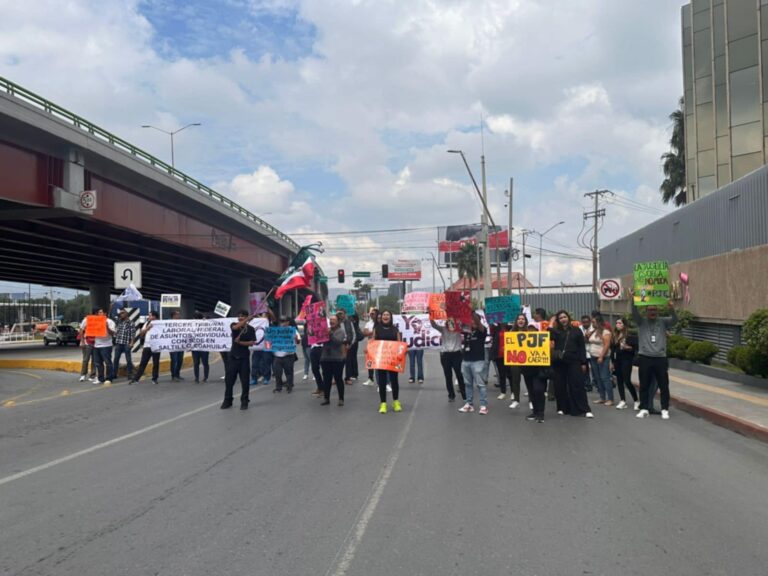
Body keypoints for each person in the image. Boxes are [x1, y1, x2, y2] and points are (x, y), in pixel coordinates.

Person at [633, 300, 677, 420]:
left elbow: (674, 321)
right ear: (646, 311)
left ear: (657, 311)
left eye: (654, 310)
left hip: (660, 358)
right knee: (644, 385)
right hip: (645, 357)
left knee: (664, 385)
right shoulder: (641, 321)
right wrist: (633, 301)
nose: (652, 312)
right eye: (650, 310)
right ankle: (644, 408)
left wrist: (671, 308)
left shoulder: (663, 321)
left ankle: (664, 409)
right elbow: (634, 313)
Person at [550, 310, 593, 418]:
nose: (563, 319)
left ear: (568, 318)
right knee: (560, 386)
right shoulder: (556, 331)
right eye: (560, 318)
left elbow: (581, 347)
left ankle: (584, 409)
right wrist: (551, 323)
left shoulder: (576, 330)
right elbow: (547, 336)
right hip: (559, 362)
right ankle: (562, 408)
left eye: (564, 317)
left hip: (574, 361)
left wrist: (583, 362)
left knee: (577, 384)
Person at [222, 310, 256, 410]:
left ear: (246, 317)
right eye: (239, 316)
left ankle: (244, 401)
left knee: (245, 382)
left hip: (244, 358)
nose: (240, 318)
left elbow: (251, 343)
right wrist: (246, 319)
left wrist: (240, 342)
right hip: (233, 357)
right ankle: (228, 400)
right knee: (229, 381)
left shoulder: (250, 329)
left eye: (243, 316)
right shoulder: (234, 325)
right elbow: (235, 327)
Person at [373, 310, 403, 413]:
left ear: (391, 317)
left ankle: (396, 401)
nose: (385, 316)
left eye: (388, 315)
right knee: (382, 381)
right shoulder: (377, 329)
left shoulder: (395, 329)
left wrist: (402, 351)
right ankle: (383, 403)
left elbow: (399, 343)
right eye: (384, 315)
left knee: (394, 380)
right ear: (381, 317)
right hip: (381, 359)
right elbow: (373, 342)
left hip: (393, 359)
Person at [458, 312, 489, 415]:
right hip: (466, 360)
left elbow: (478, 323)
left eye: (472, 319)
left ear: (477, 320)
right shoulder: (466, 331)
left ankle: (483, 406)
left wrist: (470, 310)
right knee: (467, 384)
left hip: (478, 361)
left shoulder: (482, 330)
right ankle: (469, 404)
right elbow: (457, 322)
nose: (470, 321)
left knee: (480, 384)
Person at [79, 308, 116, 385]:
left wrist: (106, 327)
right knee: (98, 363)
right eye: (98, 312)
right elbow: (82, 329)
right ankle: (100, 378)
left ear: (105, 314)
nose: (99, 314)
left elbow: (113, 334)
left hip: (106, 345)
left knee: (107, 362)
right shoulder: (94, 321)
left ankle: (109, 378)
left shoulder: (110, 322)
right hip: (96, 345)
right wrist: (83, 341)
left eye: (101, 312)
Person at [430, 317, 465, 402]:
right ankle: (451, 395)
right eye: (448, 322)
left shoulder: (459, 329)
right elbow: (433, 325)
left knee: (459, 374)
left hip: (456, 354)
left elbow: (466, 326)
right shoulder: (443, 329)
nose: (450, 323)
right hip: (445, 355)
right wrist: (431, 315)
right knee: (448, 376)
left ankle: (464, 394)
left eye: (452, 322)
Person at [611, 318, 640, 410]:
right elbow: (613, 349)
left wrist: (628, 347)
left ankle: (636, 401)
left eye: (619, 323)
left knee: (627, 380)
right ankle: (622, 401)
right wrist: (612, 362)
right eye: (616, 323)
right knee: (619, 380)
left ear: (624, 325)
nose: (617, 324)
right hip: (617, 360)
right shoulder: (615, 335)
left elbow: (635, 348)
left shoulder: (629, 335)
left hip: (626, 360)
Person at [523, 325, 549, 423]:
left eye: (532, 331)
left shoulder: (543, 341)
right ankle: (535, 412)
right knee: (531, 392)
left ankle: (541, 413)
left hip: (539, 371)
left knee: (538, 390)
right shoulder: (523, 343)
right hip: (527, 371)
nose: (530, 333)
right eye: (528, 331)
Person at [500, 314, 527, 408]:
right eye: (519, 319)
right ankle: (516, 399)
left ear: (525, 321)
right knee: (515, 380)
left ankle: (532, 400)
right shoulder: (511, 331)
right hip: (515, 359)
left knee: (529, 381)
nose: (521, 320)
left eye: (523, 319)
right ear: (516, 321)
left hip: (528, 360)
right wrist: (505, 349)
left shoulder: (530, 331)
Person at [588, 312, 614, 406]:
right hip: (593, 356)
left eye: (594, 322)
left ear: (599, 322)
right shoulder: (594, 331)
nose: (592, 324)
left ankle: (610, 398)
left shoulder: (605, 332)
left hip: (602, 357)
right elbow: (588, 339)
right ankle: (602, 397)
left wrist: (601, 356)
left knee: (605, 377)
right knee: (597, 378)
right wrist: (591, 331)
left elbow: (607, 345)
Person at [320, 315, 346, 406]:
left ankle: (341, 398)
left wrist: (330, 334)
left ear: (338, 322)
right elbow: (319, 341)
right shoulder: (325, 330)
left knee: (338, 379)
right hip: (325, 358)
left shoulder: (341, 331)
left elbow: (338, 342)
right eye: (330, 320)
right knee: (327, 379)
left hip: (337, 359)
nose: (331, 321)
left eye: (334, 320)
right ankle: (326, 398)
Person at [130, 311, 161, 385]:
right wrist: (147, 328)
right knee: (143, 363)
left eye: (150, 315)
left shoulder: (160, 324)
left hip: (156, 346)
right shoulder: (147, 323)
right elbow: (141, 333)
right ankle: (136, 379)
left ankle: (154, 378)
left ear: (154, 317)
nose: (149, 317)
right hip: (147, 346)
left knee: (156, 363)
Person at [272, 317, 299, 393]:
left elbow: (298, 341)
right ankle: (278, 387)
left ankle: (289, 386)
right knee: (277, 372)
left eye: (284, 321)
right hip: (278, 355)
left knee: (289, 372)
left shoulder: (292, 330)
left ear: (288, 322)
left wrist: (296, 338)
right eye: (281, 321)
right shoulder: (276, 330)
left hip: (288, 355)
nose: (283, 323)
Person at [111, 308, 135, 381]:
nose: (121, 315)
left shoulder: (131, 323)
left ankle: (129, 375)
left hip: (126, 344)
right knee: (116, 359)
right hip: (118, 343)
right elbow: (116, 331)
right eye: (120, 313)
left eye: (122, 313)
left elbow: (133, 334)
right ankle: (114, 374)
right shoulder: (119, 322)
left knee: (128, 360)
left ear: (126, 314)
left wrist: (132, 343)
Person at [250, 311, 273, 386]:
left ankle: (266, 377)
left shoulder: (269, 323)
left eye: (265, 315)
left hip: (267, 344)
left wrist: (268, 309)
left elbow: (271, 317)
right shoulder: (256, 323)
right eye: (262, 315)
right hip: (257, 346)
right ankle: (254, 378)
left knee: (266, 362)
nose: (263, 316)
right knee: (255, 362)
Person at [336, 309, 357, 385]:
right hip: (337, 344)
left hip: (347, 344)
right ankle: (336, 378)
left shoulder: (349, 322)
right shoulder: (335, 322)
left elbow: (354, 334)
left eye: (342, 313)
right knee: (337, 362)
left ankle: (347, 378)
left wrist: (351, 344)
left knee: (347, 362)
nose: (340, 315)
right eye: (339, 313)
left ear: (345, 314)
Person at [361, 308, 379, 386]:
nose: (371, 315)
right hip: (370, 344)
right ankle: (370, 378)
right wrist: (374, 332)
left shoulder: (380, 323)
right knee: (370, 361)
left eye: (373, 314)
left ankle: (381, 380)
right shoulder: (368, 323)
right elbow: (364, 333)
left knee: (379, 362)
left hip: (379, 344)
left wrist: (371, 332)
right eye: (370, 314)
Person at [191, 312, 210, 383]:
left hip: (204, 347)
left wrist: (205, 320)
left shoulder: (205, 324)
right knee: (196, 363)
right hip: (195, 348)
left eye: (194, 318)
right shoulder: (191, 325)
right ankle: (197, 377)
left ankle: (205, 377)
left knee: (205, 363)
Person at [580, 315, 595, 392]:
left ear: (590, 322)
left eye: (587, 322)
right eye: (583, 322)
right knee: (585, 370)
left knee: (595, 370)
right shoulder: (579, 328)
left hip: (593, 352)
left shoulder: (594, 328)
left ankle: (597, 384)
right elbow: (581, 340)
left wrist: (586, 338)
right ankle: (587, 385)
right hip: (584, 352)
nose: (585, 324)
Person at [169, 310, 184, 381]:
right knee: (174, 360)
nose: (179, 316)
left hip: (180, 345)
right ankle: (173, 375)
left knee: (180, 360)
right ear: (174, 316)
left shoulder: (181, 323)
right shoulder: (168, 323)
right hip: (173, 345)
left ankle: (177, 374)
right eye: (178, 314)